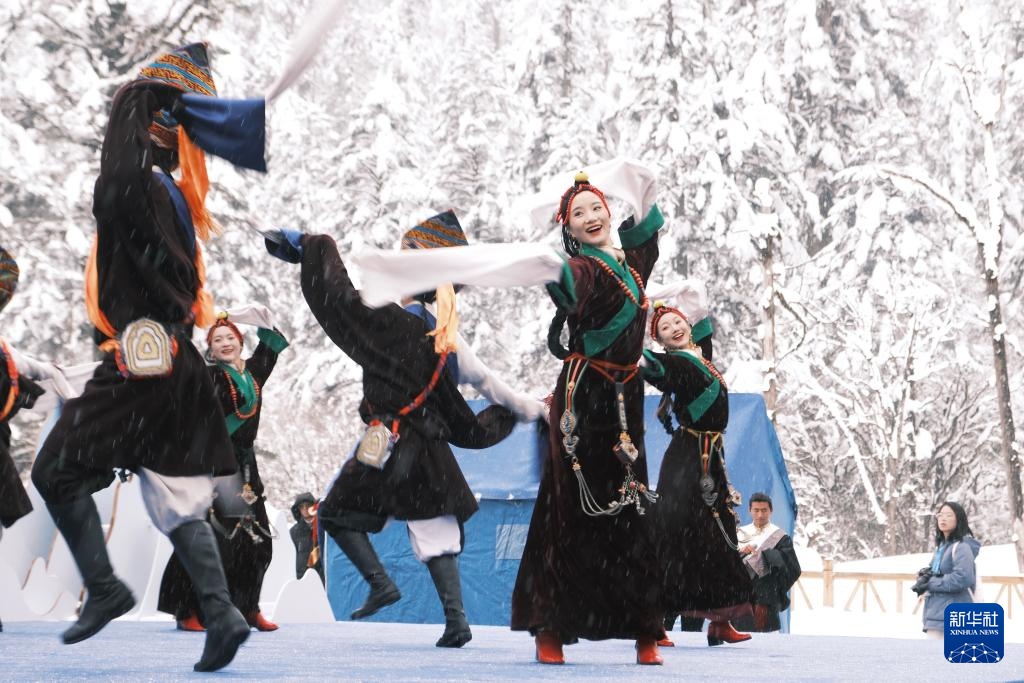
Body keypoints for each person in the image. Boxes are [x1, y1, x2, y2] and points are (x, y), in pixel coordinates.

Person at [29, 43, 265, 672]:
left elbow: (114, 179)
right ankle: (221, 612)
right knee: (176, 497)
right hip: (175, 362)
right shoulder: (173, 195)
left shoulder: (140, 188)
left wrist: (141, 94)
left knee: (56, 472)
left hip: (144, 359)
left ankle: (106, 587)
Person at [264, 210, 535, 649]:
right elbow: (486, 391)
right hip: (427, 446)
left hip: (388, 439)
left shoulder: (390, 322)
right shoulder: (445, 338)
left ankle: (381, 584)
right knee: (435, 528)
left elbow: (338, 301)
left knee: (335, 513)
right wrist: (524, 410)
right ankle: (456, 620)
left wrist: (313, 245)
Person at [510, 164, 666, 666]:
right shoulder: (584, 268)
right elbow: (570, 282)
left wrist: (635, 184)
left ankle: (644, 629)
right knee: (571, 507)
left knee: (632, 507)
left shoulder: (631, 267)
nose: (592, 216)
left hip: (626, 397)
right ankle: (551, 627)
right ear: (570, 229)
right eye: (579, 213)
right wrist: (554, 269)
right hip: (584, 395)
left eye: (597, 207)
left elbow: (647, 228)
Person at [157, 306, 289, 632]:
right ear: (211, 349)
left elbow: (272, 338)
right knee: (216, 537)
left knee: (258, 539)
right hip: (217, 463)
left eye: (230, 337)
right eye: (217, 340)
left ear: (240, 342)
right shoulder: (210, 375)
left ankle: (248, 607)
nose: (225, 343)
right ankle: (187, 608)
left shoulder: (254, 373)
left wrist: (240, 316)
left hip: (246, 466)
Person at [641, 296, 753, 647]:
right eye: (664, 328)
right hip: (685, 459)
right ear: (659, 340)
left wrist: (657, 297)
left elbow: (695, 295)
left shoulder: (701, 356)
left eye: (677, 321)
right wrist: (636, 311)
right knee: (674, 534)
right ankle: (653, 623)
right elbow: (647, 364)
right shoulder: (674, 363)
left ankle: (720, 621)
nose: (674, 328)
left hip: (711, 456)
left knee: (720, 533)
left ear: (687, 325)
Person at [733, 492, 801, 633]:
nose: (760, 515)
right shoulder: (739, 534)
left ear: (771, 510)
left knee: (765, 641)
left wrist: (768, 555)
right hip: (740, 598)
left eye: (764, 510)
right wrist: (742, 553)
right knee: (737, 640)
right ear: (749, 510)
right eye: (756, 510)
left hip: (765, 598)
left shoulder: (780, 537)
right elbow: (726, 564)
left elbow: (793, 569)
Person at [913, 501, 980, 638]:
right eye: (940, 515)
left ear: (958, 519)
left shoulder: (961, 547)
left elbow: (962, 578)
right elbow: (937, 572)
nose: (943, 518)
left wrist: (931, 583)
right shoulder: (942, 547)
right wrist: (924, 576)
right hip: (937, 615)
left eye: (949, 515)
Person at [290, 492, 324, 583]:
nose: (305, 509)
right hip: (302, 580)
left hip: (323, 579)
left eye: (308, 505)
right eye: (302, 507)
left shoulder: (323, 527)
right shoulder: (294, 532)